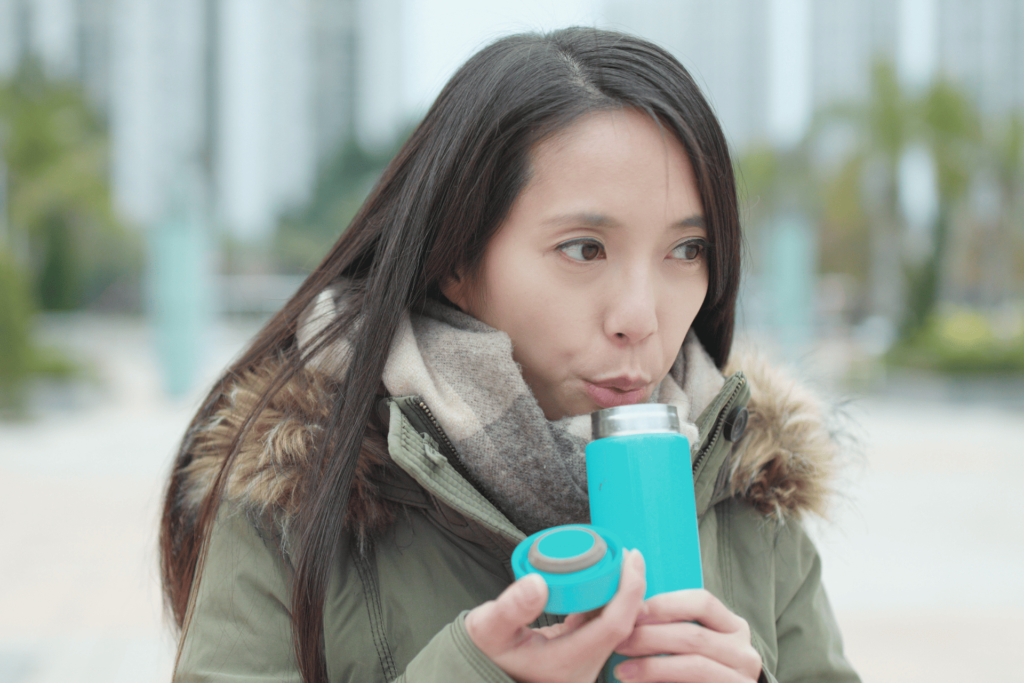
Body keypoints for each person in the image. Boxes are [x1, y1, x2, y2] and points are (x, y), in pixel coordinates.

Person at [160, 27, 861, 683]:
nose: (641, 318)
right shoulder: (302, 489)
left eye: (686, 249)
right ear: (456, 259)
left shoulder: (747, 486)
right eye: (585, 248)